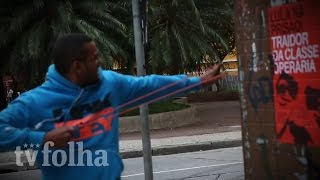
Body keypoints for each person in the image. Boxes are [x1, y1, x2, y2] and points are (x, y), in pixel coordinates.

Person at [0, 33, 224, 180]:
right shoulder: (35, 102)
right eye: (94, 58)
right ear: (77, 66)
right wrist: (43, 138)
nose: (100, 62)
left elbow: (151, 85)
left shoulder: (109, 84)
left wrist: (198, 82)